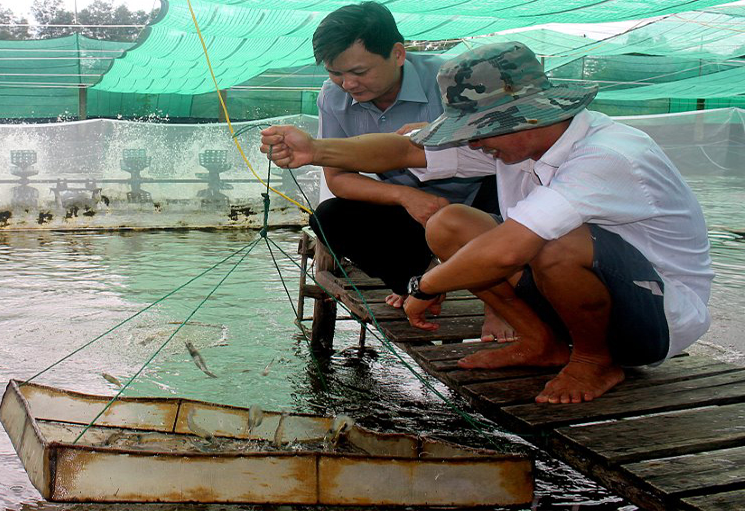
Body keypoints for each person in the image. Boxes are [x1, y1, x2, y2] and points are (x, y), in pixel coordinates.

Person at [260, 41, 713, 404]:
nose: (476, 144)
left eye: (480, 130)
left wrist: (425, 287)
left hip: (655, 318)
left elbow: (510, 250)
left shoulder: (608, 155)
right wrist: (315, 150)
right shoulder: (517, 138)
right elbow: (404, 152)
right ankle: (542, 343)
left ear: (527, 117)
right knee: (449, 222)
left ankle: (595, 360)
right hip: (578, 294)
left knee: (556, 242)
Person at [307, 2, 508, 341]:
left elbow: (503, 149)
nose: (347, 84)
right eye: (335, 73)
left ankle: (500, 306)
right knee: (329, 217)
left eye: (358, 71)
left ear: (398, 54)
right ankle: (421, 280)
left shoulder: (454, 81)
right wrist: (405, 195)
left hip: (478, 202)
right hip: (413, 211)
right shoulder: (332, 97)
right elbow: (338, 179)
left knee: (505, 179)